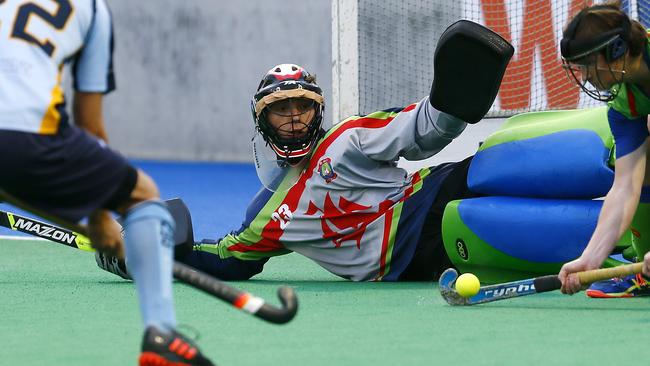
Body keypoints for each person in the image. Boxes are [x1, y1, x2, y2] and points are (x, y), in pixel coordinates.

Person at [152, 21, 513, 282]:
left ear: (318, 112)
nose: (294, 118)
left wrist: (451, 106)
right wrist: (153, 256)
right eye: (281, 109)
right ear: (262, 121)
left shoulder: (346, 138)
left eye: (303, 107)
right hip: (415, 259)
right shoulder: (268, 215)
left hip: (428, 198)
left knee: (499, 163)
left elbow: (422, 130)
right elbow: (229, 260)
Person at [0, 1, 214, 365]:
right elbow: (91, 126)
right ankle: (162, 334)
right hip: (31, 137)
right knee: (142, 195)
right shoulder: (93, 9)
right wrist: (100, 214)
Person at [559, 2, 650, 297]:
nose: (584, 76)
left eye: (588, 64)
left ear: (616, 49)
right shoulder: (624, 104)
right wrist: (591, 259)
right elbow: (625, 188)